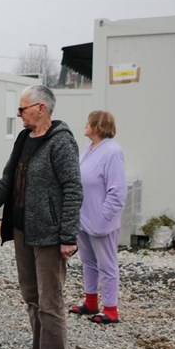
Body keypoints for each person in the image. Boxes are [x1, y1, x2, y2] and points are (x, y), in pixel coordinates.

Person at [0, 85, 82, 349]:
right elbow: (7, 182)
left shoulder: (61, 142)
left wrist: (68, 236)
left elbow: (73, 189)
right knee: (32, 298)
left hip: (48, 236)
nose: (18, 114)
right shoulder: (23, 140)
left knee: (50, 301)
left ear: (41, 108)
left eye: (22, 109)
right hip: (22, 231)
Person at [69, 110, 126, 324]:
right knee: (88, 262)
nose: (85, 125)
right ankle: (90, 301)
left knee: (107, 265)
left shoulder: (112, 152)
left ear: (98, 125)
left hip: (101, 221)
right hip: (83, 218)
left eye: (88, 122)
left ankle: (111, 309)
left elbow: (117, 191)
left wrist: (105, 218)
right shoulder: (87, 149)